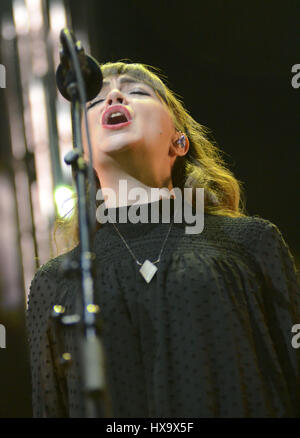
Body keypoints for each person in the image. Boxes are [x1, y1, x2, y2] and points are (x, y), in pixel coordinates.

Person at [26, 60, 300, 418]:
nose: (114, 97)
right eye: (95, 100)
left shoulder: (249, 242)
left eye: (137, 91)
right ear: (83, 150)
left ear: (179, 140)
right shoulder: (56, 281)